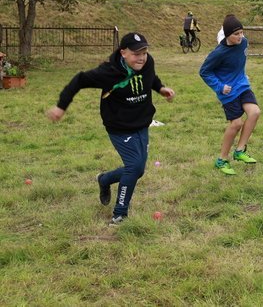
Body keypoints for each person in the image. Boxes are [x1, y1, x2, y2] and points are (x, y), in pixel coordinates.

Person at [46, 33, 175, 225]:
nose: (141, 58)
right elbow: (79, 80)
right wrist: (61, 107)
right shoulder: (108, 72)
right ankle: (119, 214)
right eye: (136, 54)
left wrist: (161, 88)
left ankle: (105, 180)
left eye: (144, 53)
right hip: (119, 127)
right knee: (134, 167)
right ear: (123, 53)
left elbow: (150, 77)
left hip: (142, 123)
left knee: (138, 170)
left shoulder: (147, 62)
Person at [200, 14, 261, 175]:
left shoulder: (244, 43)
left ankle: (240, 150)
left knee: (255, 112)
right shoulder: (218, 53)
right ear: (227, 35)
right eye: (236, 34)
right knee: (236, 124)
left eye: (241, 32)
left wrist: (242, 74)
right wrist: (220, 87)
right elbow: (204, 72)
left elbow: (239, 62)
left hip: (242, 85)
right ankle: (222, 160)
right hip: (228, 91)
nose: (240, 36)